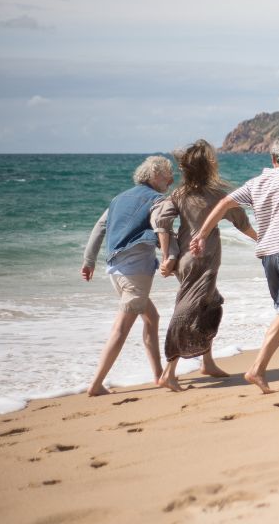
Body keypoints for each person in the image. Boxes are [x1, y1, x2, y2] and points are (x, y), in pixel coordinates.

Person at [190, 139, 279, 394]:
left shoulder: (257, 182)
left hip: (268, 254)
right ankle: (257, 368)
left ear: (273, 159)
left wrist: (202, 234)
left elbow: (224, 203)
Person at [152, 140, 257, 392]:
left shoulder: (179, 194)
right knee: (187, 312)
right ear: (207, 166)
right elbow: (241, 221)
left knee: (211, 306)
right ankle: (169, 372)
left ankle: (207, 362)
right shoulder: (216, 194)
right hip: (204, 261)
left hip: (187, 261)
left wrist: (168, 255)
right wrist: (261, 238)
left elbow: (162, 221)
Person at [81, 155, 176, 397]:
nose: (172, 179)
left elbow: (99, 227)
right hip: (135, 272)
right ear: (155, 175)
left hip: (116, 270)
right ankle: (95, 385)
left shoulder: (118, 198)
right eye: (168, 174)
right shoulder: (157, 199)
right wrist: (170, 257)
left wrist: (88, 261)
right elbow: (161, 225)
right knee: (120, 329)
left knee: (151, 317)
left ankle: (158, 375)